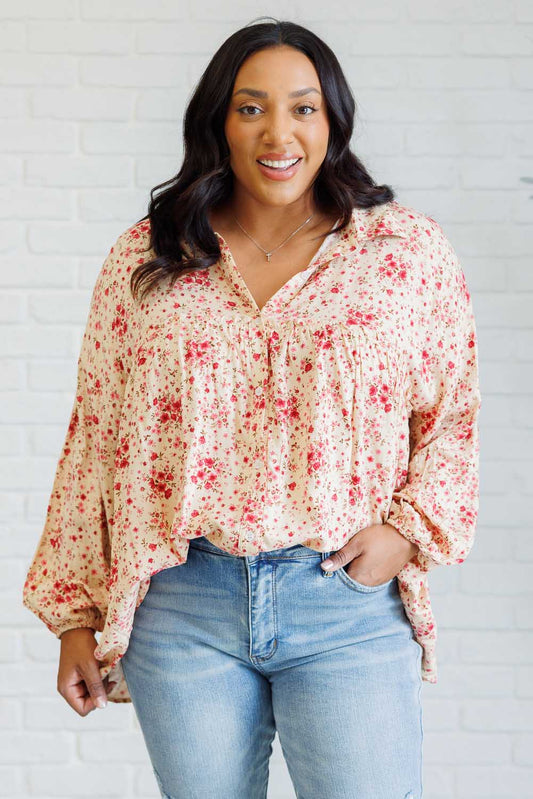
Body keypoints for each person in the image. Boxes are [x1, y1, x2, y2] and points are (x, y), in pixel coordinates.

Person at [22, 17, 481, 799]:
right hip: (183, 605)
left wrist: (405, 534)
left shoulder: (402, 253)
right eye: (250, 108)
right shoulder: (148, 257)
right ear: (219, 123)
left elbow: (452, 417)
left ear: (331, 120)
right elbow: (96, 434)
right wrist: (75, 613)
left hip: (341, 602)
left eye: (302, 108)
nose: (278, 133)